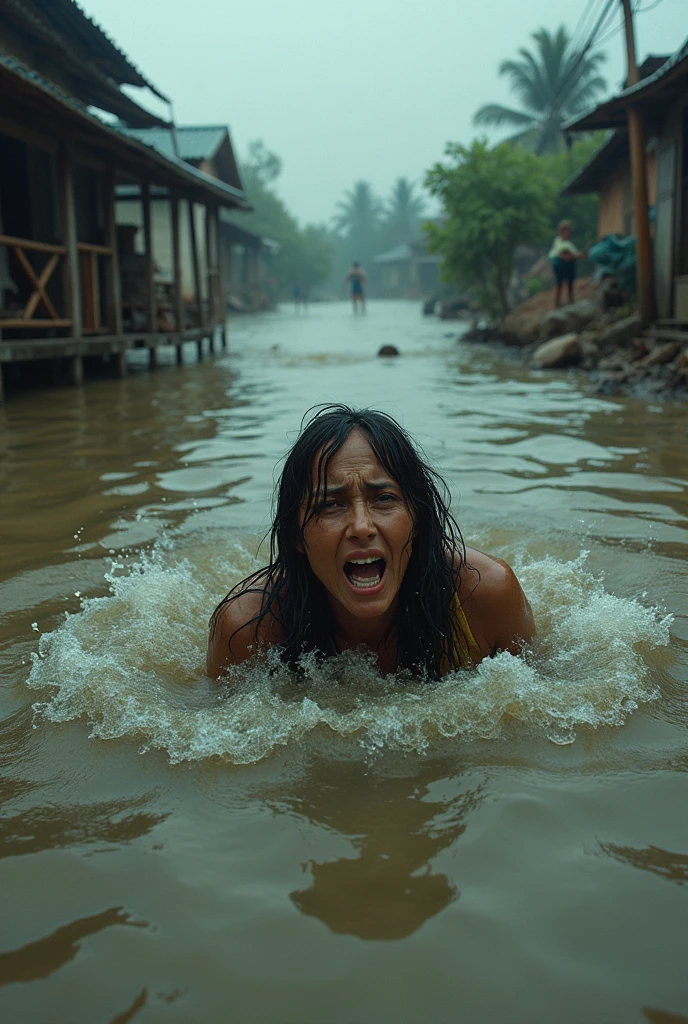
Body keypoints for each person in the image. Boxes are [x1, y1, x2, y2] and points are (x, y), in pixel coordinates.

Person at [207, 405, 535, 681]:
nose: (362, 528)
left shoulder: (486, 595)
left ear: (417, 518)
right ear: (296, 536)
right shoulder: (248, 631)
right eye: (330, 505)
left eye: (384, 498)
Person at [549, 220, 588, 309]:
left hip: (569, 266)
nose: (569, 233)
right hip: (561, 266)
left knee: (570, 284)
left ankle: (571, 300)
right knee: (560, 284)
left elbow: (575, 254)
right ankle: (557, 303)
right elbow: (563, 255)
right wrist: (574, 256)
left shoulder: (568, 244)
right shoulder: (559, 242)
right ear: (562, 232)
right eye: (567, 231)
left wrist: (579, 255)